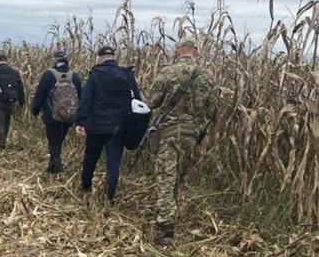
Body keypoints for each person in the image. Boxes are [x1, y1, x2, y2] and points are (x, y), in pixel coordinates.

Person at [146, 39, 218, 246]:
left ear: (178, 52)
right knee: (178, 178)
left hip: (168, 134)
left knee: (166, 180)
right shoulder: (208, 77)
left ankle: (165, 230)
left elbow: (151, 102)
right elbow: (211, 110)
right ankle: (168, 212)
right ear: (196, 52)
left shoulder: (168, 73)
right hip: (191, 135)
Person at [75, 46, 140, 200]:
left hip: (96, 126)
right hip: (117, 127)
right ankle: (109, 195)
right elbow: (137, 101)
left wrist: (80, 122)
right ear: (113, 57)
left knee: (90, 157)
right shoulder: (126, 75)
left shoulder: (95, 74)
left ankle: (86, 188)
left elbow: (86, 100)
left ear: (100, 57)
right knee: (114, 162)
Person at [31, 50, 83, 174]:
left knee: (53, 142)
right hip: (69, 116)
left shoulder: (49, 74)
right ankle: (51, 169)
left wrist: (35, 110)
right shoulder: (74, 76)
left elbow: (40, 94)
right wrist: (78, 117)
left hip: (52, 116)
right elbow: (80, 97)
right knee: (59, 141)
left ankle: (58, 169)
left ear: (55, 60)